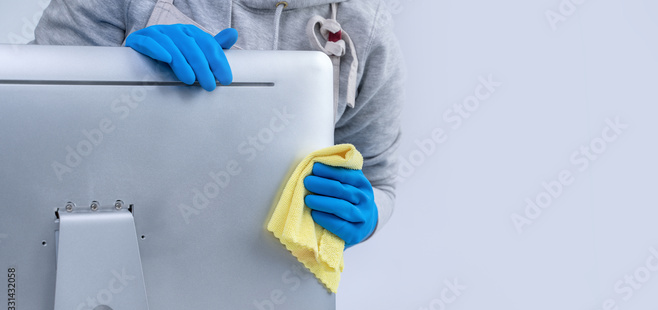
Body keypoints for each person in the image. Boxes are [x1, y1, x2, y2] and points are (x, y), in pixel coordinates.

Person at [31, 0, 404, 248]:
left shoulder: (365, 24)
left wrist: (364, 216)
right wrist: (116, 74)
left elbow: (378, 180)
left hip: (268, 288)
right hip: (104, 257)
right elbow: (26, 118)